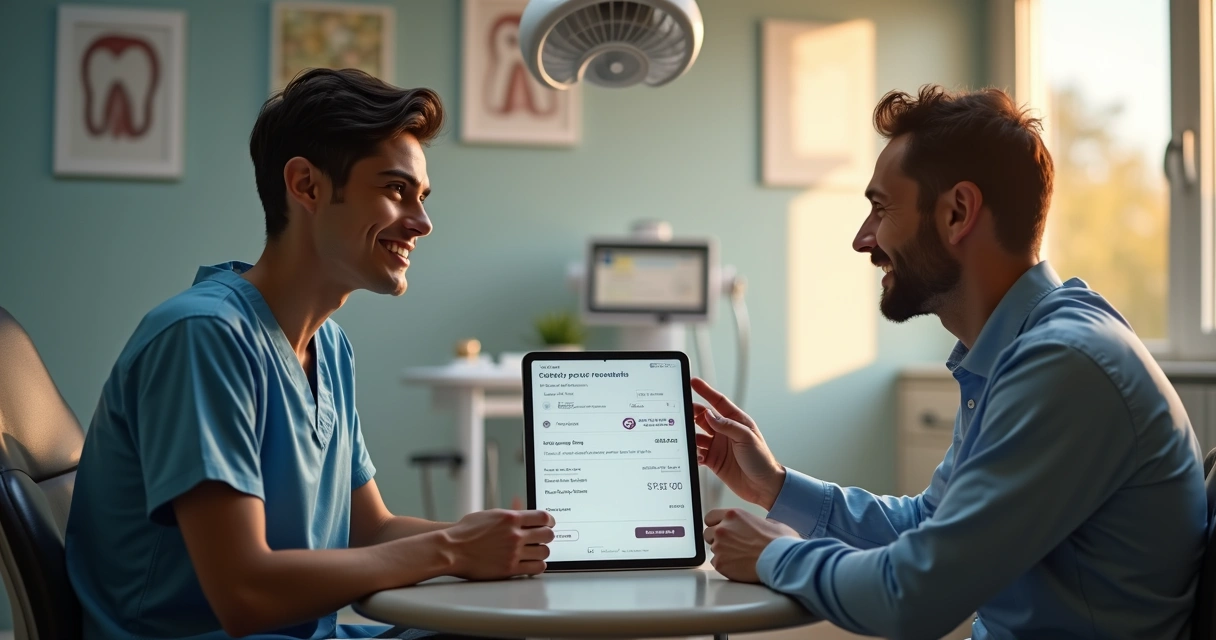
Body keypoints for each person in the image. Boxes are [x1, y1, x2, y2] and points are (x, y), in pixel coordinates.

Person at [695, 85, 1207, 639]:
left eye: (881, 208)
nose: (862, 240)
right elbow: (928, 527)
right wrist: (775, 487)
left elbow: (914, 597)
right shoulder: (1020, 350)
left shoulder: (1064, 366)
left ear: (957, 213)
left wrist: (775, 555)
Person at [64, 68, 554, 640]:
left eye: (421, 197)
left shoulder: (330, 346)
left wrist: (501, 544)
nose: (422, 223)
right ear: (307, 186)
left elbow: (370, 530)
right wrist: (451, 549)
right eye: (397, 190)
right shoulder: (202, 336)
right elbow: (244, 590)